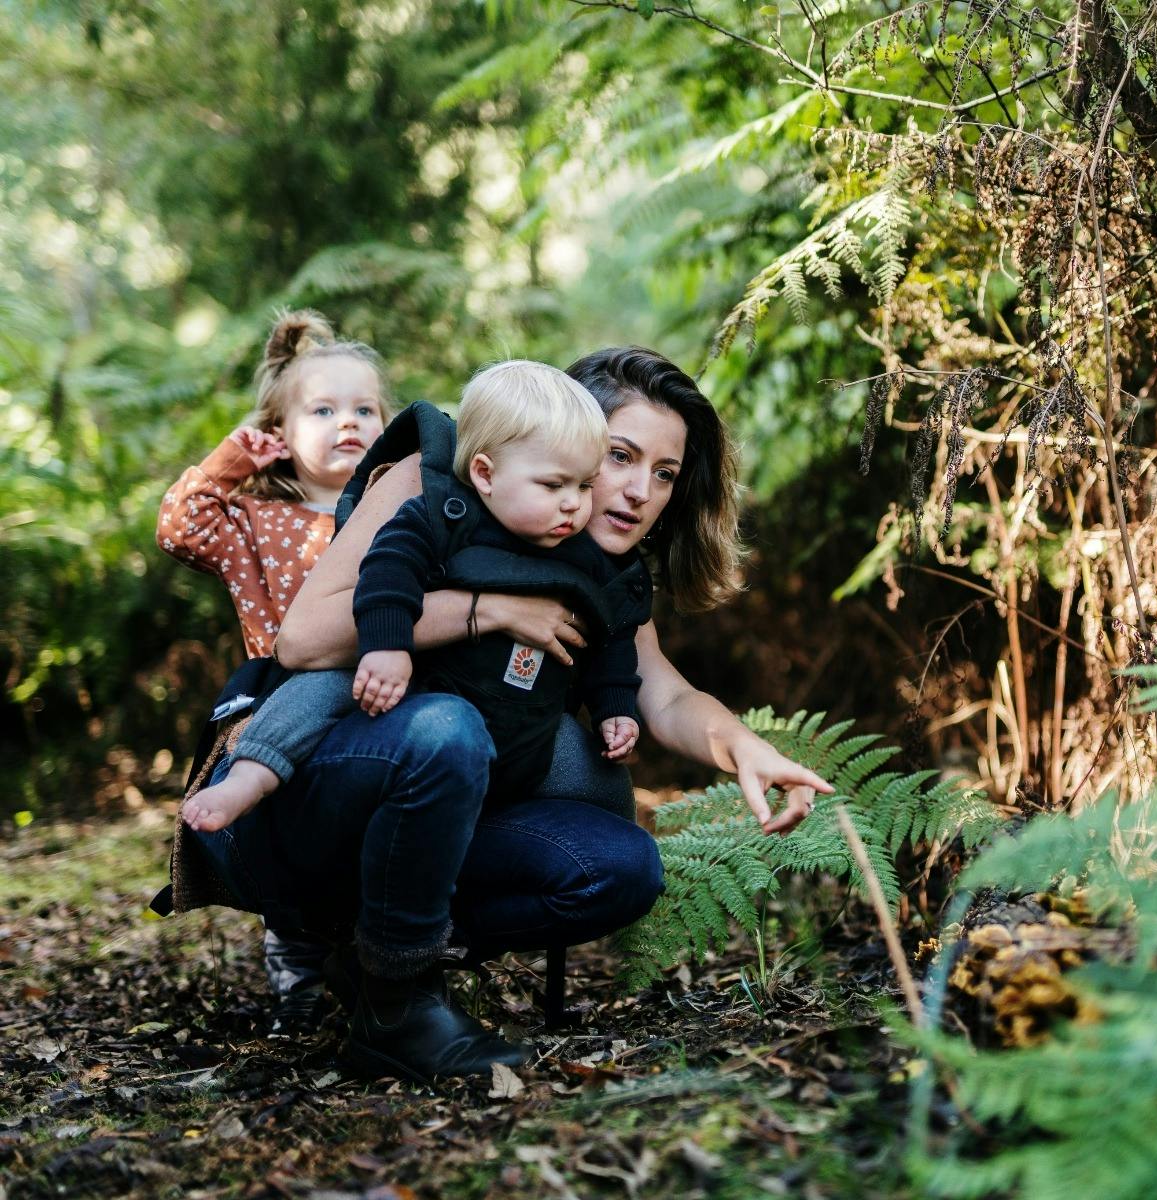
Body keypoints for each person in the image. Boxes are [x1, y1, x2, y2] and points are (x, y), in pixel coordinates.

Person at [173, 346, 830, 1083]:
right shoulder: (433, 481)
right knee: (446, 726)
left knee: (618, 862)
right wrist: (488, 611)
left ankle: (370, 951)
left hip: (428, 799)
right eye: (620, 455)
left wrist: (746, 748)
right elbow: (303, 639)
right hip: (296, 787)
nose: (640, 490)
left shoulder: (601, 569)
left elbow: (664, 693)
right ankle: (397, 1003)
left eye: (666, 473)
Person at [180, 361, 645, 833]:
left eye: (585, 486)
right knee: (316, 692)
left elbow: (612, 638)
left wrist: (615, 709)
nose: (573, 503)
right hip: (387, 677)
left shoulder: (574, 546)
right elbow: (385, 577)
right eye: (554, 485)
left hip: (508, 716)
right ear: (485, 473)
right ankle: (248, 776)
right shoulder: (439, 512)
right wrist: (388, 646)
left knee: (600, 784)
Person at [157, 309, 391, 1037]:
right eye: (322, 410)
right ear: (280, 435)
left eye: (364, 409)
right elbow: (181, 528)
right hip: (282, 688)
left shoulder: (399, 511)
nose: (347, 422)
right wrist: (233, 462)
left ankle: (382, 939)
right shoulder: (256, 520)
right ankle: (292, 949)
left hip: (385, 678)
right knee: (288, 810)